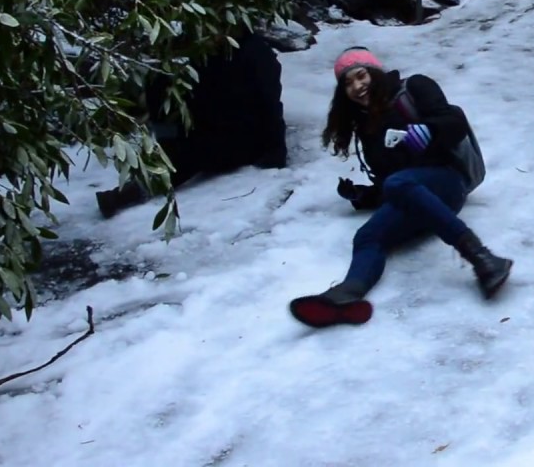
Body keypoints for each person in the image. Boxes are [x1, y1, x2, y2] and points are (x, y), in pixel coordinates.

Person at [288, 47, 512, 328]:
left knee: (398, 182)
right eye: (348, 83)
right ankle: (346, 296)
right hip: (411, 195)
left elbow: (455, 121)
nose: (357, 86)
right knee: (367, 236)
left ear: (375, 72)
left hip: (448, 182)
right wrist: (365, 195)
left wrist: (430, 130)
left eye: (361, 75)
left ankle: (483, 258)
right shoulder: (366, 126)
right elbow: (388, 180)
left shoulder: (415, 87)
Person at [95, 31, 287, 218]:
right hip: (209, 125)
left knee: (189, 157)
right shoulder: (208, 52)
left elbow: (271, 104)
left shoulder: (256, 53)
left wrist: (276, 149)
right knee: (161, 84)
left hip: (242, 137)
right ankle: (162, 156)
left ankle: (129, 193)